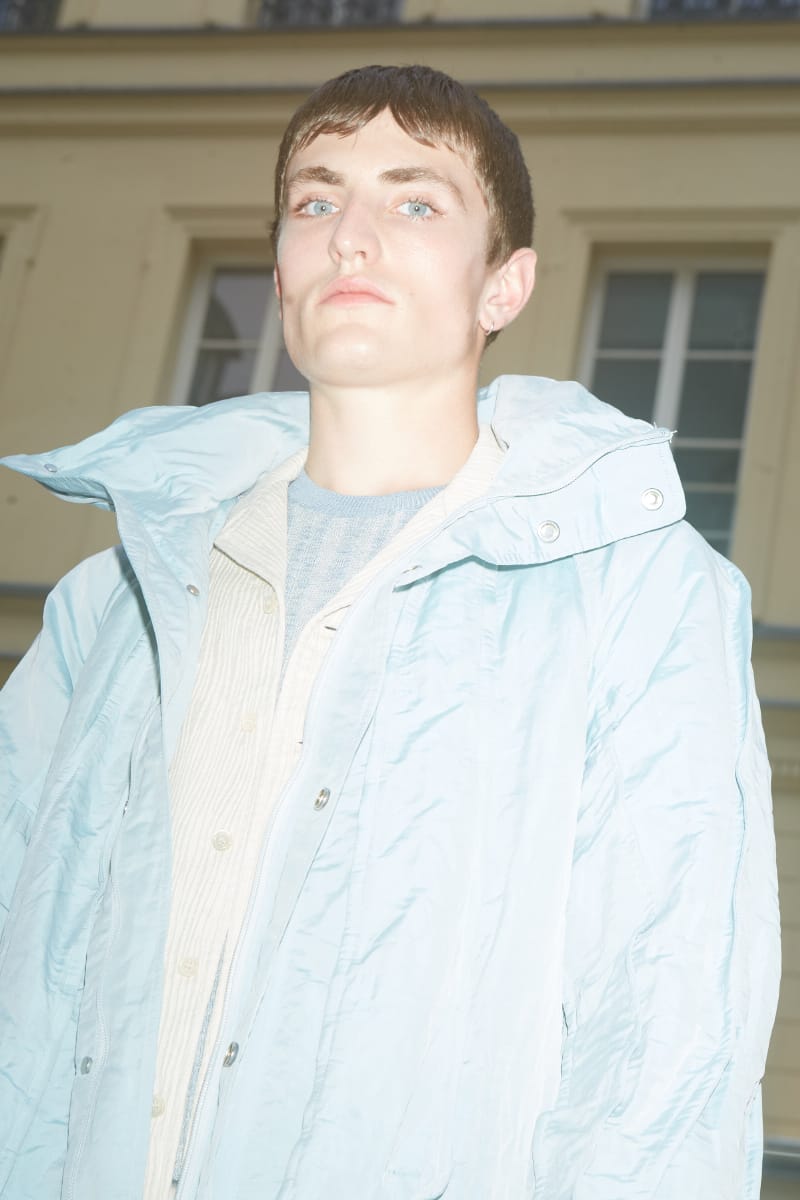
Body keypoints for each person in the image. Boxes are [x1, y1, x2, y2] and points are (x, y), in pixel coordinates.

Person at [0, 64, 781, 1200]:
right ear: (281, 271)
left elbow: (664, 1034)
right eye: (315, 201)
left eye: (414, 202)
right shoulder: (111, 600)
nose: (348, 236)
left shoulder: (641, 594)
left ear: (503, 286)